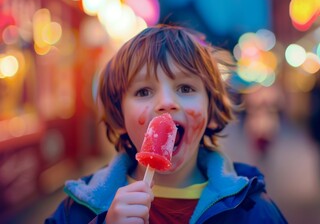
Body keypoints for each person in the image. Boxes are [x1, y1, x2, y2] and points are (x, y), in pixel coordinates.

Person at [45, 24, 287, 223]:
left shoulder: (252, 211)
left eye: (185, 88)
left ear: (210, 110)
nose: (166, 102)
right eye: (143, 91)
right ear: (119, 116)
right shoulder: (78, 209)